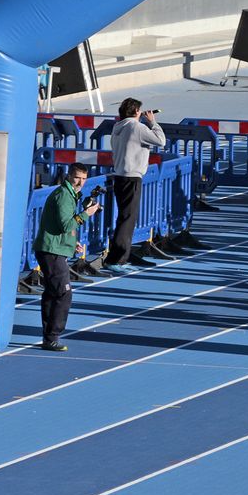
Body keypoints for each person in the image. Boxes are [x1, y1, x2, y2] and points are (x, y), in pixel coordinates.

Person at [34, 163, 101, 352]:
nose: (80, 182)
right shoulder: (64, 195)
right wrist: (86, 214)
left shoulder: (69, 195)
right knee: (64, 293)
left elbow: (63, 227)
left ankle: (49, 337)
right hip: (51, 251)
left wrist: (72, 243)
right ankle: (53, 336)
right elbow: (66, 225)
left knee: (52, 293)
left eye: (84, 178)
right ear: (69, 176)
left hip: (54, 249)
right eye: (77, 177)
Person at [103, 97, 166, 271]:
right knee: (128, 219)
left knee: (124, 217)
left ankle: (118, 255)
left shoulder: (118, 126)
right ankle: (117, 259)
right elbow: (160, 140)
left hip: (120, 175)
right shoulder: (136, 127)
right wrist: (153, 122)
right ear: (137, 112)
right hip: (132, 177)